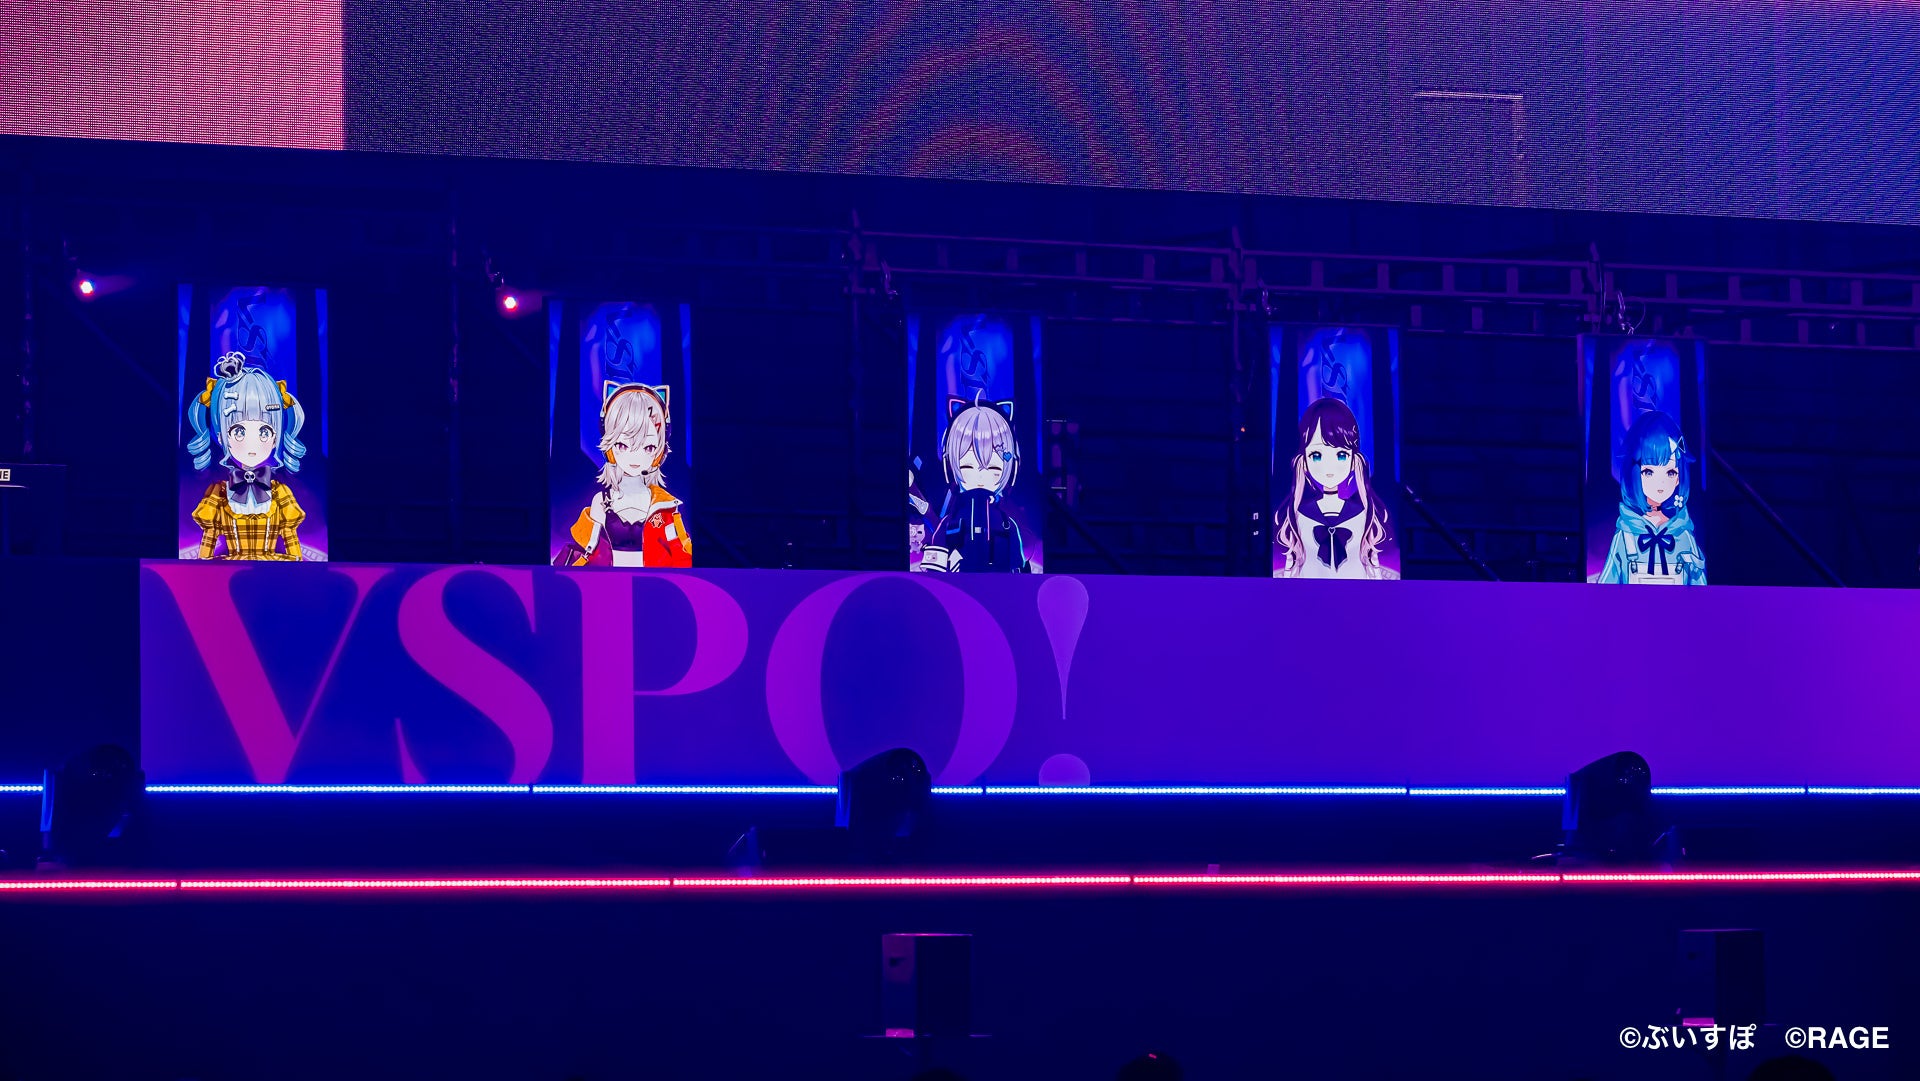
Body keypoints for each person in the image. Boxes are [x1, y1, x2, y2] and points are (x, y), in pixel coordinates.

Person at [186, 350, 309, 560]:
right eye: (239, 432)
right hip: (229, 572)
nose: (252, 443)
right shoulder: (218, 494)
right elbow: (204, 555)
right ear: (221, 437)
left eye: (264, 432)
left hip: (274, 573)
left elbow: (294, 553)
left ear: (275, 437)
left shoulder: (281, 494)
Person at [556, 383, 692, 568]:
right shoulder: (601, 501)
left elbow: (680, 553)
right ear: (609, 448)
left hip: (653, 580)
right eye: (623, 445)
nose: (635, 457)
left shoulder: (666, 505)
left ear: (659, 452)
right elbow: (589, 552)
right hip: (607, 581)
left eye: (648, 447)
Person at [1274, 396, 1395, 579]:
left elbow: (1372, 562)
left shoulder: (1363, 514)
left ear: (1354, 461)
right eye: (1316, 455)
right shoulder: (1298, 515)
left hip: (1356, 593)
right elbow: (1291, 564)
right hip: (1308, 594)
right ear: (1304, 461)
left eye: (1341, 455)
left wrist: (1377, 591)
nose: (1329, 467)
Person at [1596, 409, 1705, 585]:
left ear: (1679, 477)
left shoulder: (1684, 536)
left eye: (1670, 472)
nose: (1660, 482)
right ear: (1634, 474)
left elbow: (1702, 592)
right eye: (1648, 472)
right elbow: (1604, 592)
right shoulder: (1625, 536)